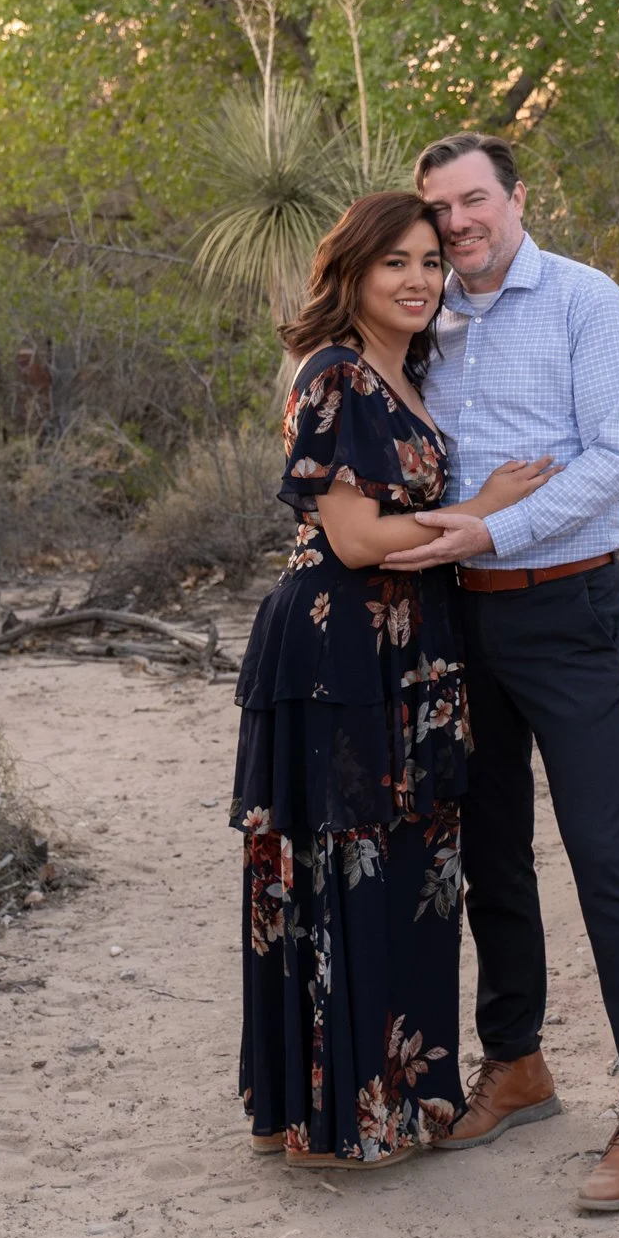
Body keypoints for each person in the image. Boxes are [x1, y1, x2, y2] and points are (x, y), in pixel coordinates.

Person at [383, 133, 619, 1211]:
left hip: (563, 606)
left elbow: (617, 457)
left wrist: (482, 532)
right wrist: (456, 538)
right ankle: (514, 1063)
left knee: (604, 851)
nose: (457, 225)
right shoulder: (427, 317)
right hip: (454, 620)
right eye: (440, 211)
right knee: (488, 848)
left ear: (516, 197)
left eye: (474, 202)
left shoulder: (582, 300)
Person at [231, 191, 556, 1170]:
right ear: (352, 273)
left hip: (412, 647)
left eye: (428, 262)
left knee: (417, 874)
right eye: (394, 265)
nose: (417, 280)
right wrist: (482, 512)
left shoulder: (406, 370)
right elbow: (354, 536)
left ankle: (407, 1097)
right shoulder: (330, 374)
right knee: (343, 872)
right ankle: (336, 1118)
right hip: (336, 653)